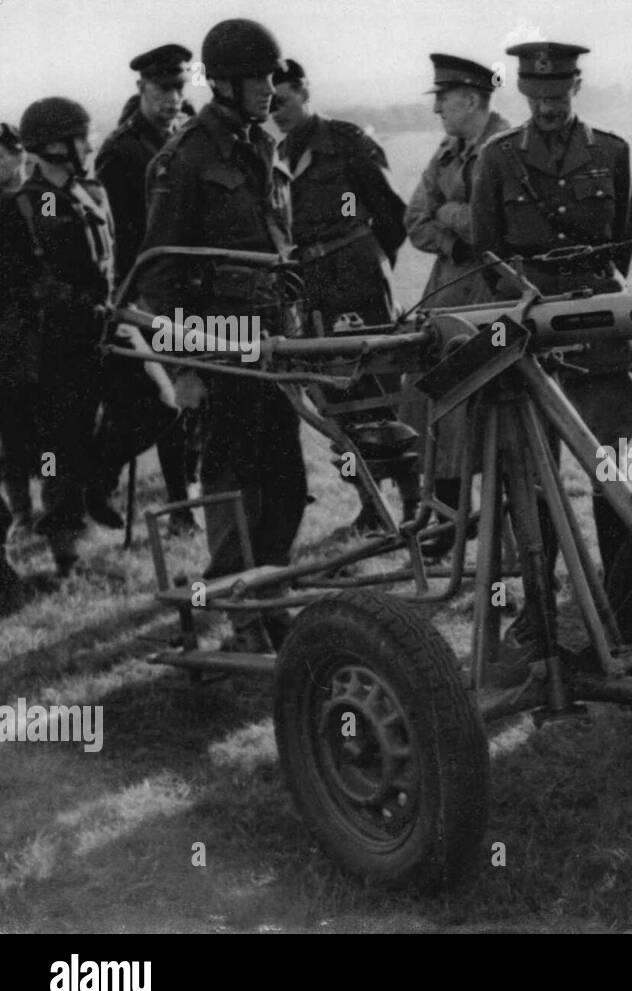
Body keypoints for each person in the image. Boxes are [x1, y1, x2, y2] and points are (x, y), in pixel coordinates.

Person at [135, 18, 305, 652]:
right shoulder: (182, 161)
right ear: (226, 83)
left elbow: (279, 248)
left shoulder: (260, 147)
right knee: (234, 482)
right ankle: (240, 612)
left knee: (286, 477)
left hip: (273, 343)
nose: (270, 87)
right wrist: (183, 367)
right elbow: (161, 273)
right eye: (259, 77)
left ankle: (269, 595)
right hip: (219, 342)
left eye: (271, 76)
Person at [471, 41, 632, 576]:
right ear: (524, 92)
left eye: (559, 93)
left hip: (597, 325)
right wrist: (528, 295)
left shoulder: (612, 152)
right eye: (537, 95)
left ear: (577, 86)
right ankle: (540, 596)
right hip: (531, 329)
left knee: (608, 460)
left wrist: (592, 291)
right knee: (531, 466)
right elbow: (488, 247)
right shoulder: (498, 157)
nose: (547, 106)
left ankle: (622, 586)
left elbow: (626, 237)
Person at [270, 57, 417, 536]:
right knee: (334, 398)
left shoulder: (345, 141)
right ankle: (371, 506)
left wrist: (369, 267)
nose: (277, 111)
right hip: (310, 287)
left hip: (356, 280)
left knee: (382, 390)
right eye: (269, 104)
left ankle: (415, 504)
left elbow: (392, 214)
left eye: (284, 100)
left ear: (305, 91)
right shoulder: (275, 154)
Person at [0, 99, 120, 576]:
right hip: (51, 352)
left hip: (102, 333)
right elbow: (27, 281)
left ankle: (97, 480)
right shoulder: (22, 207)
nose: (89, 147)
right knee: (53, 453)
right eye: (81, 138)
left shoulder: (90, 193)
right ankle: (64, 553)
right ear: (54, 146)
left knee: (159, 403)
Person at [402, 53, 510, 555]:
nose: (436, 110)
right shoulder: (448, 151)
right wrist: (452, 239)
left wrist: (450, 213)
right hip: (446, 294)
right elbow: (414, 219)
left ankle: (505, 532)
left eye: (442, 100)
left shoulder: (506, 149)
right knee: (439, 405)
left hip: (496, 298)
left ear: (470, 99)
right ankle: (449, 523)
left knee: (489, 412)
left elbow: (496, 222)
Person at [91, 43, 197, 535]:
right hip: (147, 292)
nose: (172, 99)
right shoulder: (121, 150)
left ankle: (186, 502)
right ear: (142, 89)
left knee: (194, 395)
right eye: (162, 90)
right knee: (169, 402)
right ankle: (176, 507)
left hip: (192, 286)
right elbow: (121, 233)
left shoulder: (188, 135)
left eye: (179, 88)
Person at [0, 122, 37, 534]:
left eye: (3, 154)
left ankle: (52, 510)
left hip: (43, 328)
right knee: (12, 431)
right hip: (9, 335)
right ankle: (23, 511)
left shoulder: (40, 199)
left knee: (46, 430)